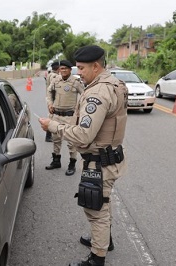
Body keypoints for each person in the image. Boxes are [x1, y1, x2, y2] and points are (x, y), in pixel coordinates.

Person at [38, 45, 128, 266]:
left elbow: (83, 136)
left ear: (96, 66)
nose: (79, 72)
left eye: (81, 68)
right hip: (111, 155)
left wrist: (53, 127)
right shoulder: (116, 83)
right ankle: (106, 240)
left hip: (99, 162)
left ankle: (96, 259)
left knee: (95, 209)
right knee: (104, 202)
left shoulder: (97, 92)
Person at [45, 59, 84, 176]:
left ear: (70, 70)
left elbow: (84, 95)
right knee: (56, 139)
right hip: (56, 115)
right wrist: (50, 104)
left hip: (70, 116)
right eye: (61, 69)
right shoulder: (56, 80)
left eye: (65, 69)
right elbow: (49, 92)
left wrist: (79, 110)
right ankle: (56, 160)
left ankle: (72, 164)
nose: (63, 70)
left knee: (71, 142)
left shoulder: (76, 81)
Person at [44, 61, 60, 142]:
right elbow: (54, 89)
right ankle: (48, 136)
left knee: (53, 117)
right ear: (58, 68)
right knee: (52, 117)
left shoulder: (50, 74)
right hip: (52, 100)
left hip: (50, 98)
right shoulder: (54, 76)